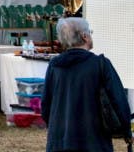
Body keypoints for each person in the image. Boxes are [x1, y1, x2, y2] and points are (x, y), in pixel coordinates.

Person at [41, 17, 132, 152]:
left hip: (60, 141)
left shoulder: (54, 66)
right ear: (84, 36)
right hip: (94, 140)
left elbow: (46, 105)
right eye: (90, 32)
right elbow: (118, 100)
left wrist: (56, 128)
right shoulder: (100, 64)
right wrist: (127, 132)